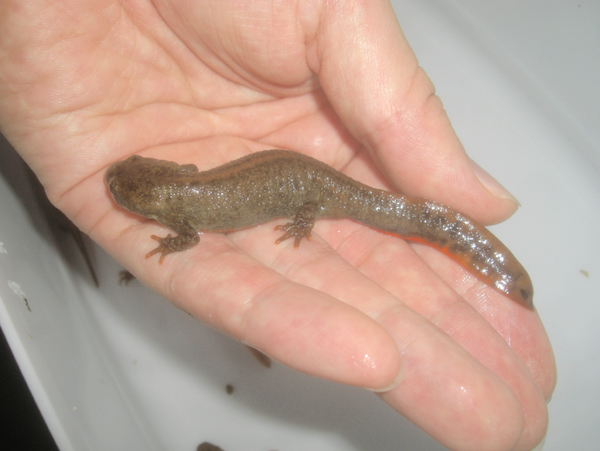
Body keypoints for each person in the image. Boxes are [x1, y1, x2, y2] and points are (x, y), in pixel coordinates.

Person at [0, 1, 555, 450]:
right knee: (372, 209)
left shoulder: (180, 212)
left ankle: (493, 268)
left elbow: (189, 237)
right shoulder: (182, 184)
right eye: (124, 183)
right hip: (302, 178)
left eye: (124, 182)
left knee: (385, 212)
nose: (115, 182)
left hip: (314, 190)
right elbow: (189, 189)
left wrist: (287, 219)